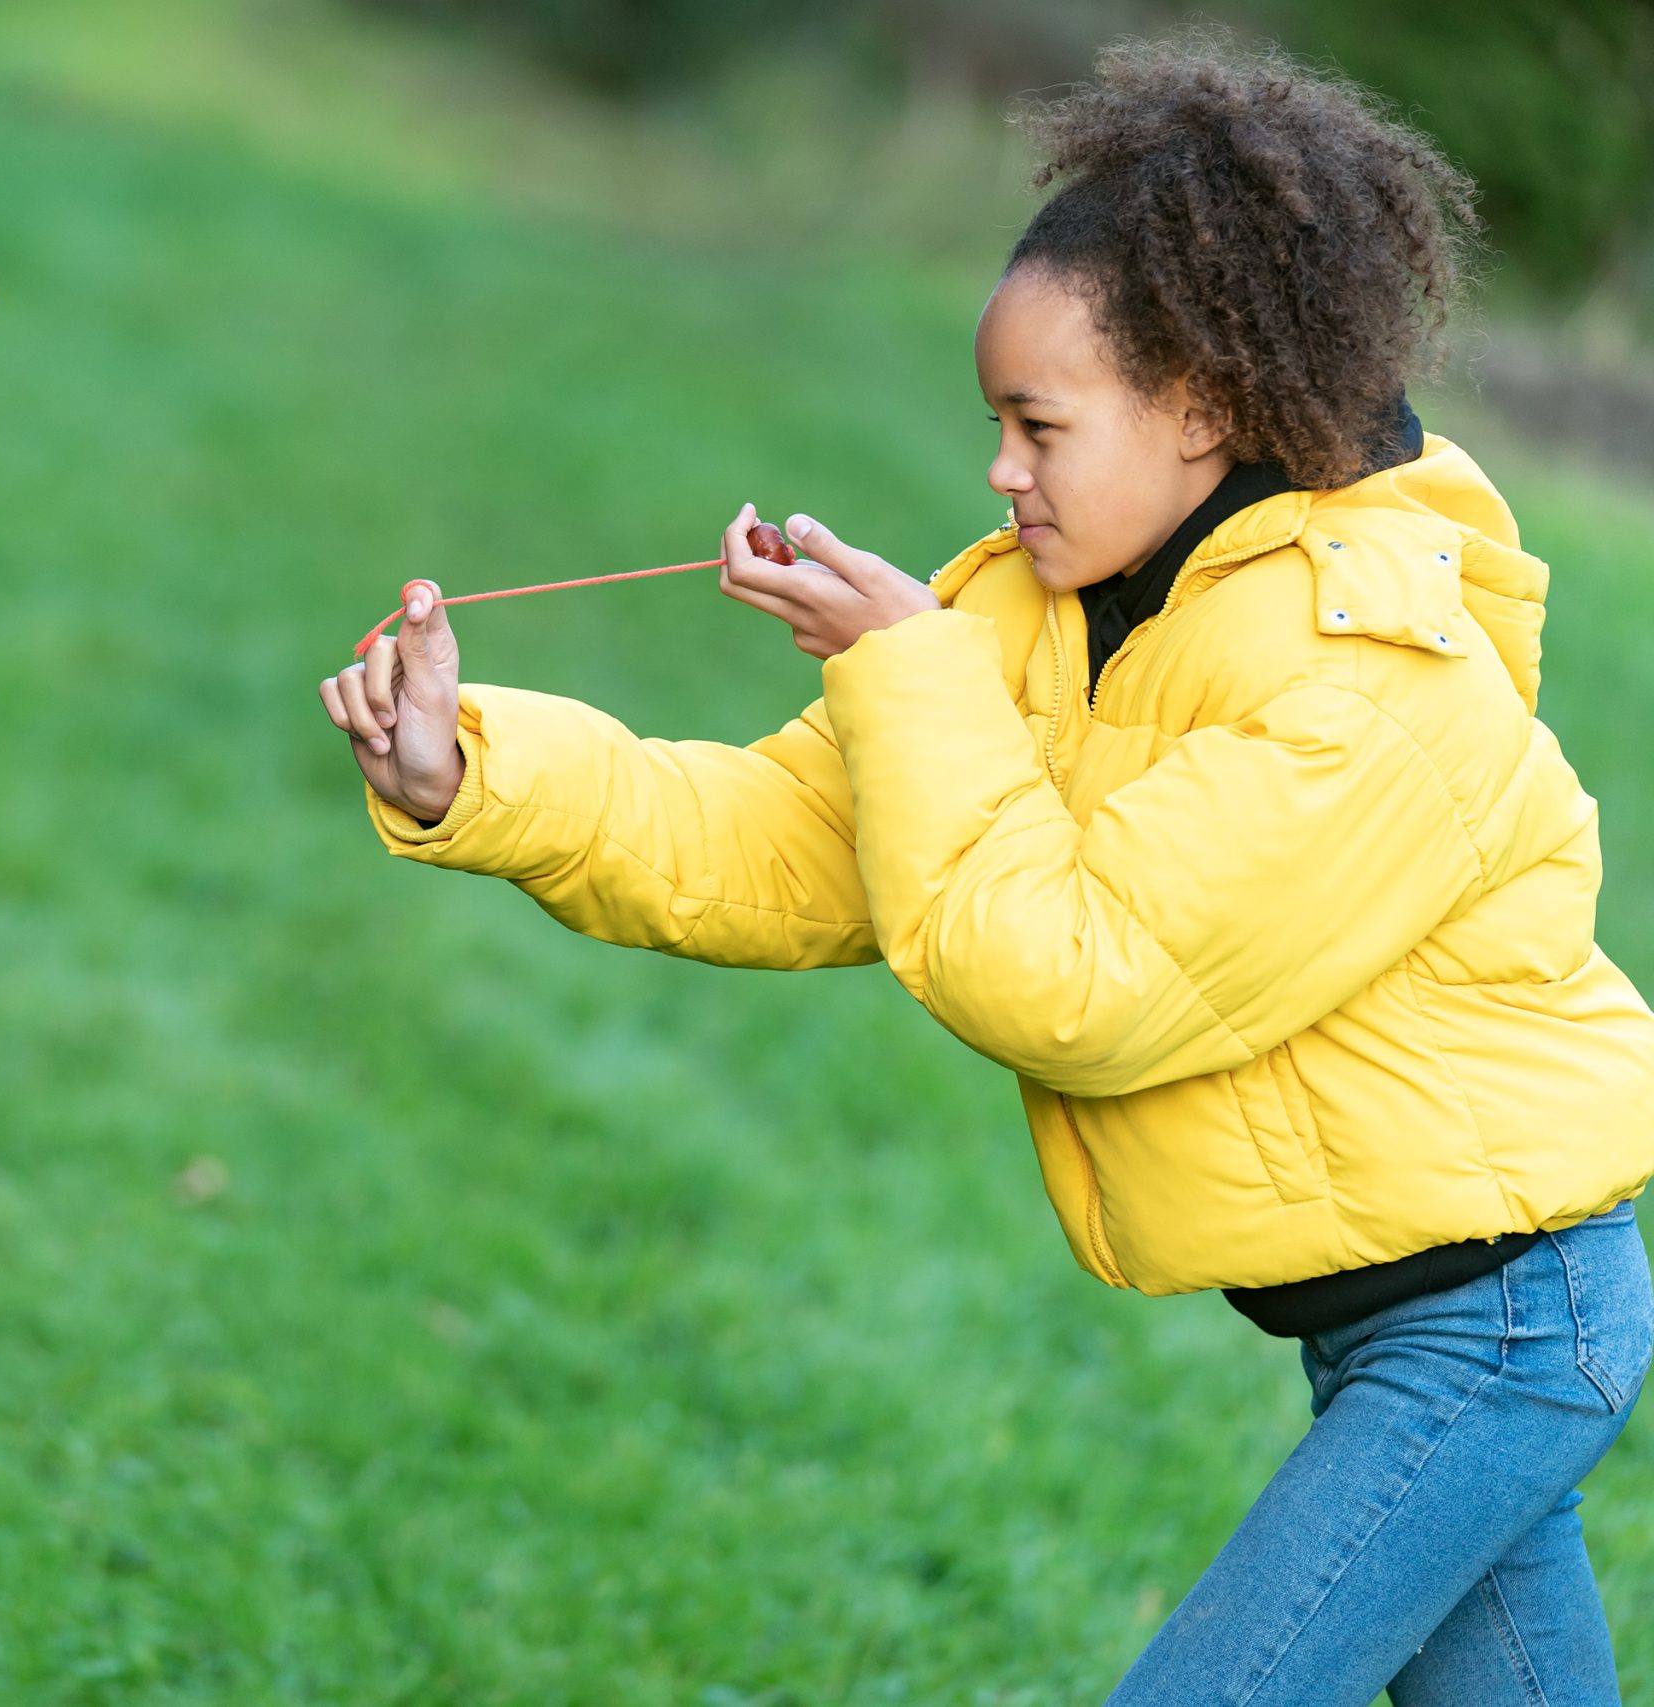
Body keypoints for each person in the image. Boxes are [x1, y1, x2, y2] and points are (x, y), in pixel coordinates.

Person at [320, 37, 1654, 1705]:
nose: (1001, 472)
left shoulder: (1371, 673)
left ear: (1210, 407)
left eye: (1038, 425)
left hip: (1505, 1329)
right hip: (1392, 1320)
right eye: (994, 424)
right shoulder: (1043, 614)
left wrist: (913, 673)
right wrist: (472, 774)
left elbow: (1081, 983)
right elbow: (795, 851)